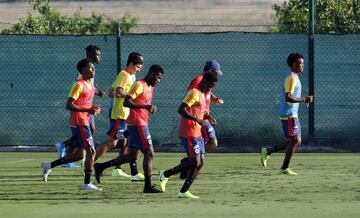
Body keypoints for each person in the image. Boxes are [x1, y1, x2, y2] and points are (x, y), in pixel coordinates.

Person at [94, 64, 164, 193]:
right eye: (158, 78)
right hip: (138, 124)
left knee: (132, 156)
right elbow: (127, 101)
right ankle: (148, 186)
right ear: (153, 74)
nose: (159, 81)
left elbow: (143, 104)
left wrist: (149, 107)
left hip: (139, 123)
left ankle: (100, 166)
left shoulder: (150, 87)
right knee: (149, 153)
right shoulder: (139, 84)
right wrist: (145, 106)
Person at [41, 59, 102, 190]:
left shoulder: (91, 85)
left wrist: (93, 107)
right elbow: (69, 105)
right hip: (79, 122)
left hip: (84, 121)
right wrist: (87, 110)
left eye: (94, 68)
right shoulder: (79, 85)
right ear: (82, 70)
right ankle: (87, 183)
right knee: (92, 151)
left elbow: (85, 103)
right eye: (90, 68)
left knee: (80, 155)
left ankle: (49, 166)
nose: (93, 70)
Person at [158, 72, 218, 199]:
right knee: (195, 162)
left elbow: (198, 112)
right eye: (209, 85)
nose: (210, 89)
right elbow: (181, 109)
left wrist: (207, 117)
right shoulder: (194, 92)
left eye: (212, 87)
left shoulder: (202, 94)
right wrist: (197, 119)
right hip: (189, 132)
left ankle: (184, 191)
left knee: (200, 162)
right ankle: (165, 174)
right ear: (204, 80)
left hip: (198, 132)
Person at [260, 53, 313, 175]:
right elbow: (288, 97)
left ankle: (268, 151)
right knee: (294, 140)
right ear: (294, 64)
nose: (302, 66)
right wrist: (304, 99)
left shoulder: (295, 78)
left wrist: (303, 100)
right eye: (300, 64)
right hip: (288, 114)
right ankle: (284, 168)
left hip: (293, 114)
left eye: (303, 64)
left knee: (296, 141)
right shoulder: (291, 78)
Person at [95, 52, 144, 181]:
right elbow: (118, 92)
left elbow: (112, 92)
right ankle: (90, 162)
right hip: (120, 114)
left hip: (126, 114)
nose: (140, 69)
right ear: (131, 64)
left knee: (126, 141)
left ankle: (119, 169)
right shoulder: (124, 75)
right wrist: (132, 95)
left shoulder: (131, 76)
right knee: (113, 142)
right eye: (138, 66)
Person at [57, 44, 103, 168]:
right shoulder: (85, 70)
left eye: (100, 54)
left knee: (90, 130)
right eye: (97, 54)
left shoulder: (91, 69)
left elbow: (90, 87)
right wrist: (88, 105)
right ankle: (67, 150)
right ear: (90, 55)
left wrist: (98, 92)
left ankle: (68, 150)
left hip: (87, 106)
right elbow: (80, 86)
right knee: (90, 130)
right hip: (82, 109)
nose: (100, 56)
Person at [179, 60, 224, 180]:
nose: (217, 75)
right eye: (215, 72)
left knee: (213, 143)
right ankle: (190, 162)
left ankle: (190, 162)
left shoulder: (207, 81)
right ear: (210, 70)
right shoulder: (198, 80)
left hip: (204, 116)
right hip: (198, 118)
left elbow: (209, 93)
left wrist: (215, 99)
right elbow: (193, 97)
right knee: (212, 143)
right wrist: (201, 115)